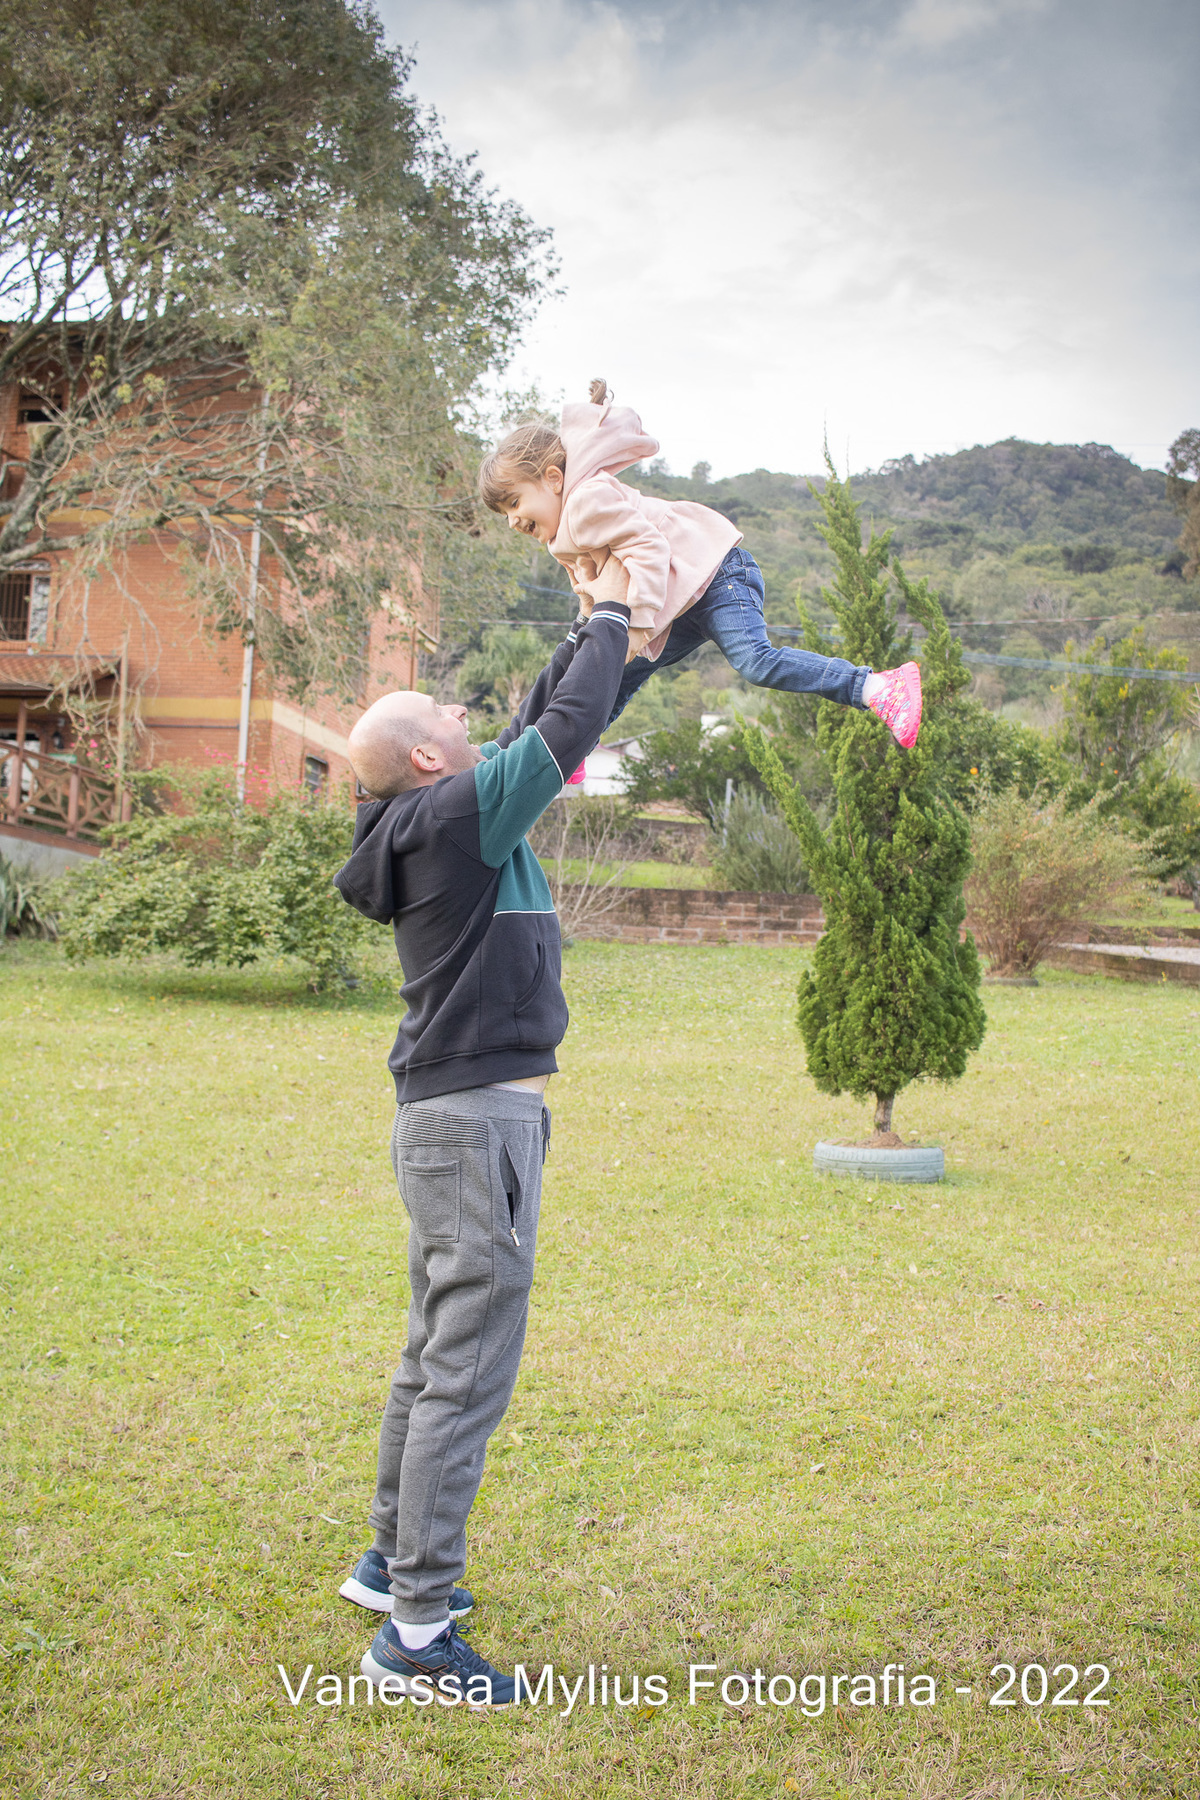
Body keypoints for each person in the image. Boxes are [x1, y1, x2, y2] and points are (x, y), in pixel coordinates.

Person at [332, 564, 632, 1708]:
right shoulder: (459, 812)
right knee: (465, 1371)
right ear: (424, 758)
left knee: (431, 1354)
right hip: (476, 1124)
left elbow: (537, 722)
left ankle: (386, 1567)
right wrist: (611, 617)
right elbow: (559, 729)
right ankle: (413, 1635)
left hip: (446, 1119)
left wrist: (598, 632)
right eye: (447, 717)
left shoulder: (432, 813)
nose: (466, 719)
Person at [478, 380, 922, 749]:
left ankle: (879, 688)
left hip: (715, 574)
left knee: (754, 661)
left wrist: (635, 628)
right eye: (505, 514)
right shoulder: (560, 534)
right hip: (677, 601)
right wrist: (594, 626)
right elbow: (591, 588)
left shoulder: (585, 501)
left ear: (553, 480)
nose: (514, 520)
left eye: (516, 502)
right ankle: (569, 752)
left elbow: (649, 549)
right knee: (618, 672)